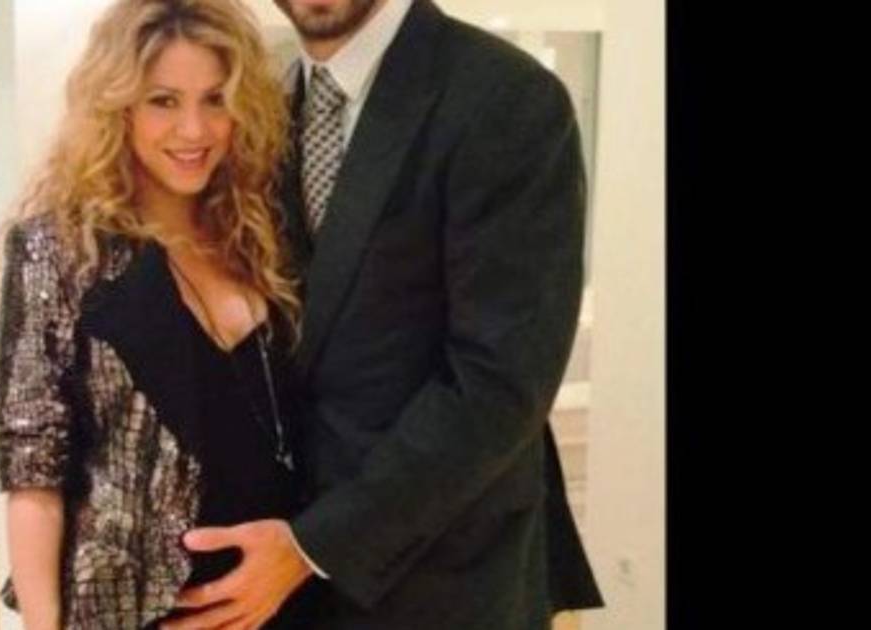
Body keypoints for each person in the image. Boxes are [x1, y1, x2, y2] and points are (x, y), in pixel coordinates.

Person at [165, 0, 604, 628]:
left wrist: (317, 545)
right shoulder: (265, 102)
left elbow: (501, 382)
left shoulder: (504, 97)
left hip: (448, 575)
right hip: (287, 577)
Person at [0, 1, 316, 628]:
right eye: (163, 101)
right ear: (120, 108)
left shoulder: (264, 237)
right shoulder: (60, 250)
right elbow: (33, 474)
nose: (194, 130)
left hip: (281, 600)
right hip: (132, 611)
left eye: (215, 99)